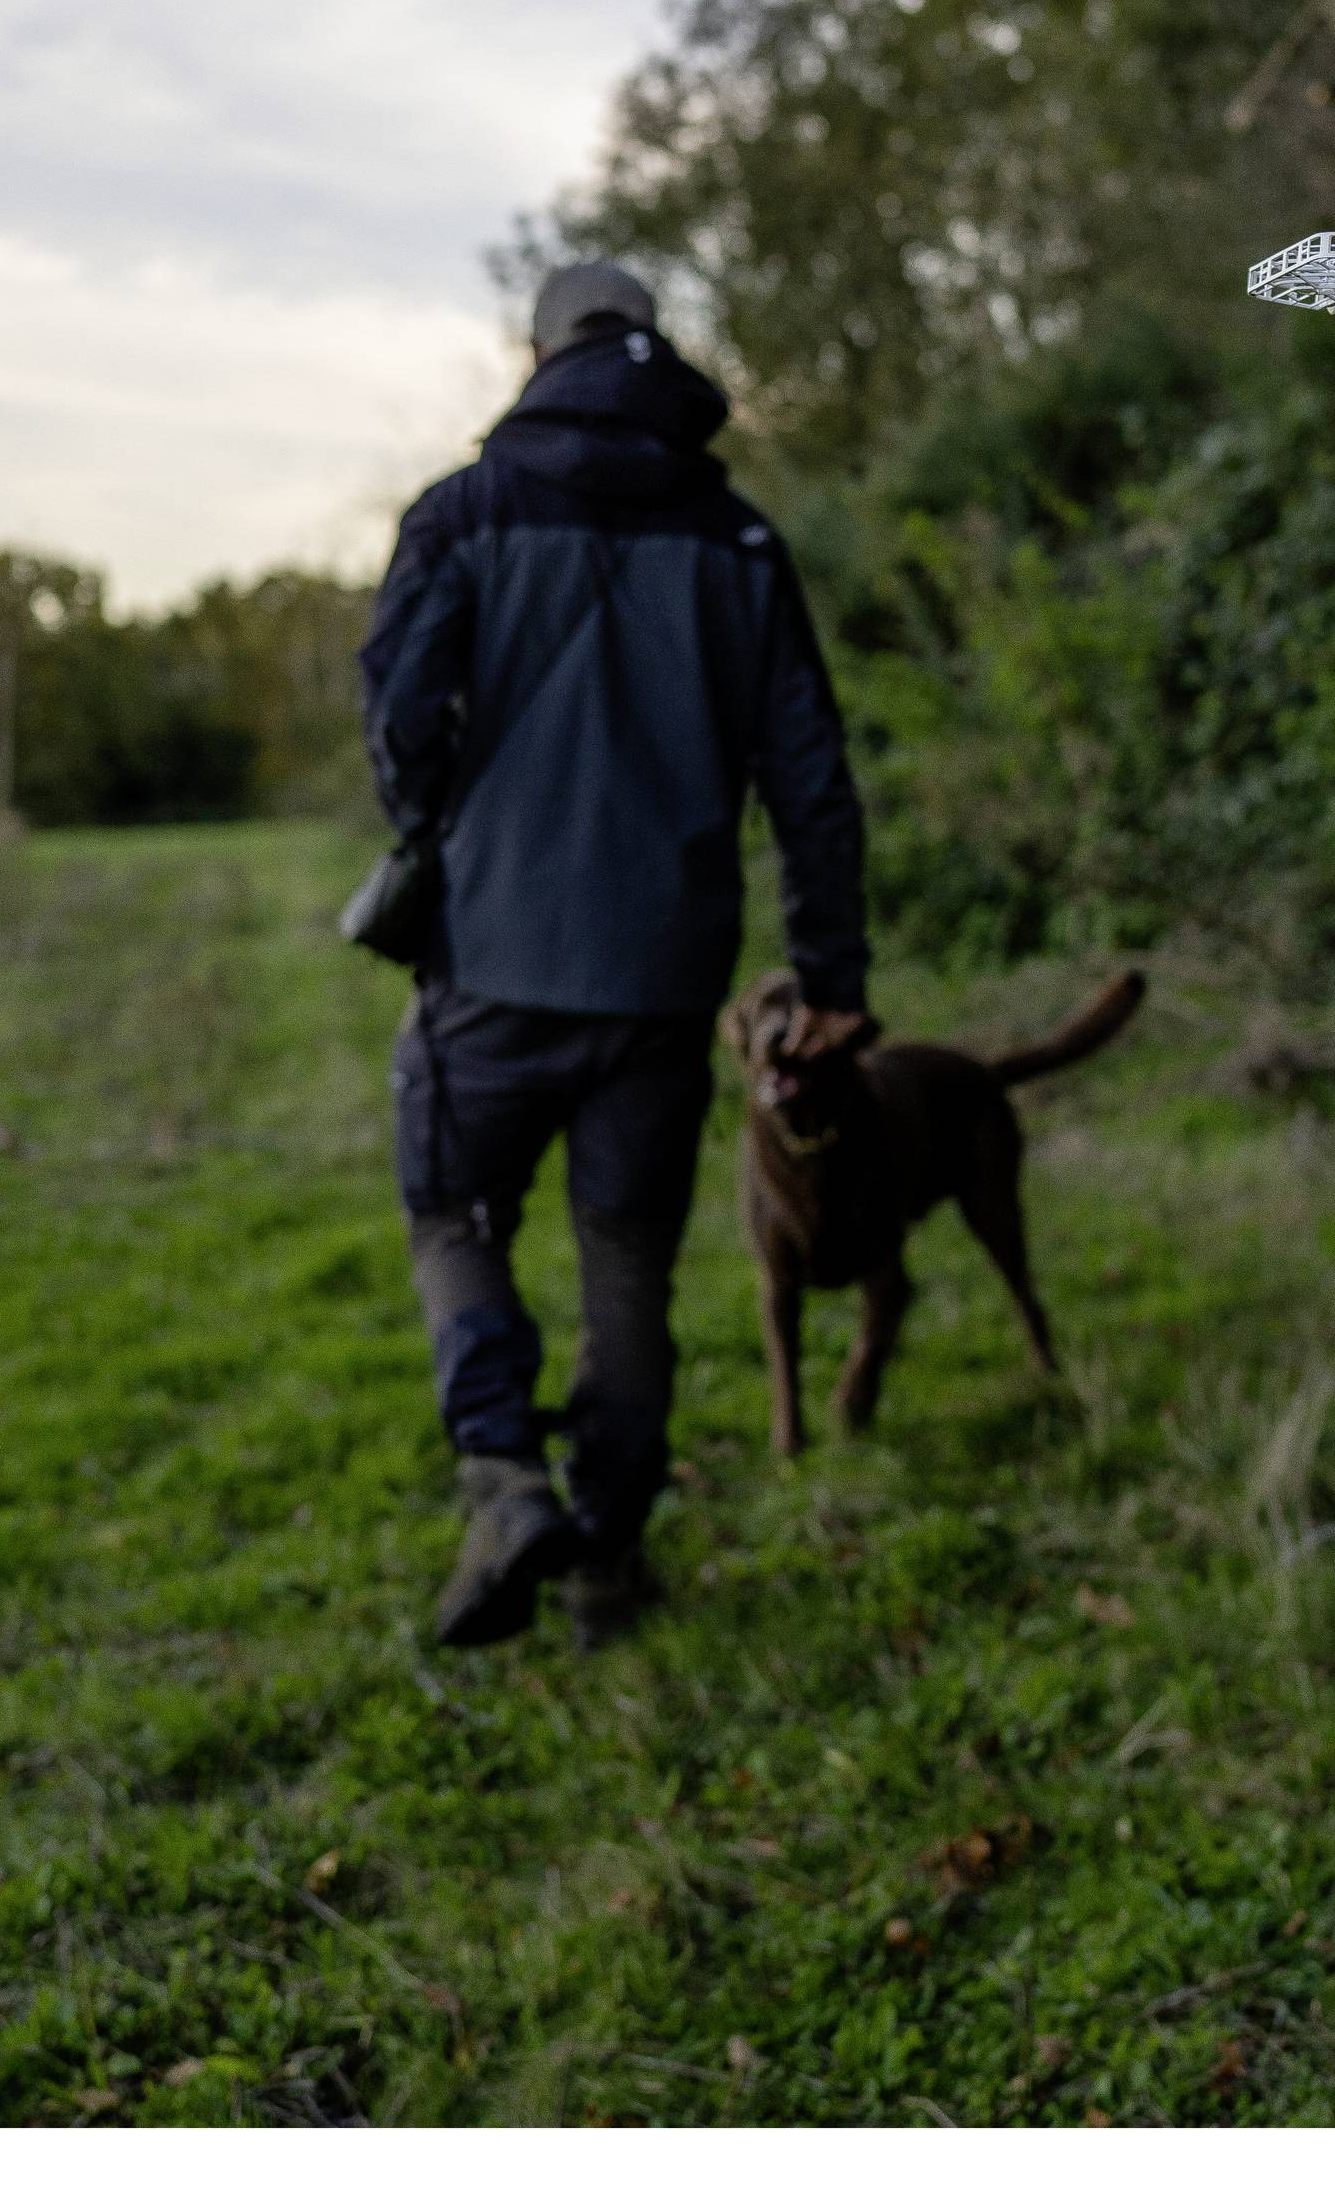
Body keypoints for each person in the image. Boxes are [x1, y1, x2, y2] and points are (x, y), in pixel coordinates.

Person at [357, 261, 869, 1651]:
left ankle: (506, 1476)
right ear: (652, 345)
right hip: (664, 976)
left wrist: (432, 832)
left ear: (539, 351)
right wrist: (831, 979)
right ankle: (605, 1568)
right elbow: (812, 779)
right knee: (626, 1259)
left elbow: (399, 716)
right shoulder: (742, 544)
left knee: (452, 1215)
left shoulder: (460, 516)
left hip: (489, 960)